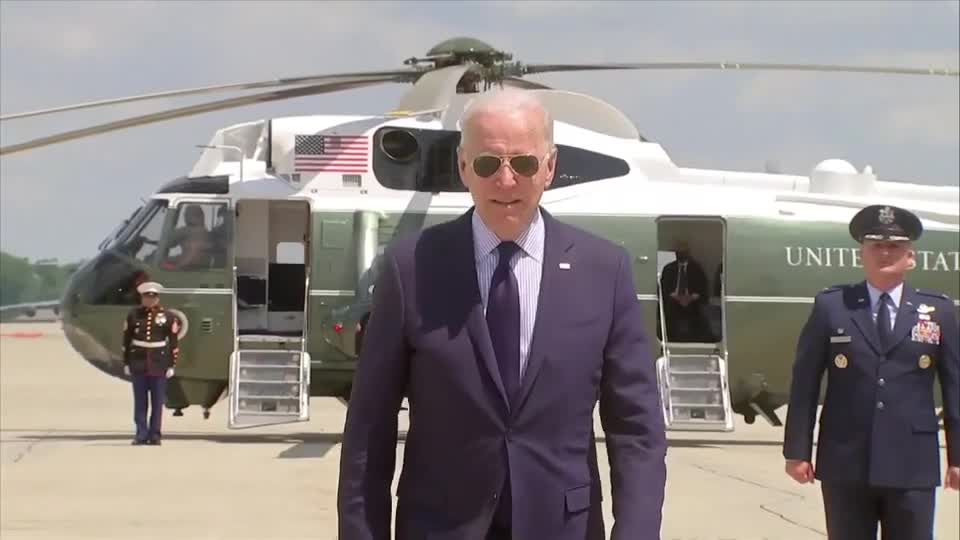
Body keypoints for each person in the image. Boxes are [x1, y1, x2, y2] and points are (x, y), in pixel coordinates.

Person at [337, 88, 667, 540]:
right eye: (489, 164)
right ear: (463, 168)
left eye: (524, 163)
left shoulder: (604, 271)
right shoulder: (410, 268)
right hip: (439, 526)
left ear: (549, 167)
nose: (506, 181)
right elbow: (368, 431)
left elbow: (637, 428)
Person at [782, 204, 959, 539]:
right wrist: (797, 452)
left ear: (911, 257)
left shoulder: (938, 311)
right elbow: (804, 383)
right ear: (861, 253)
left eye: (894, 246)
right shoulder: (832, 306)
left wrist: (958, 457)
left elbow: (955, 388)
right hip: (846, 461)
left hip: (912, 464)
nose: (885, 252)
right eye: (876, 245)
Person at [122, 281, 180, 445]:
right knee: (140, 403)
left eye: (153, 297)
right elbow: (126, 341)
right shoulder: (133, 315)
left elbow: (173, 343)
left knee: (157, 403)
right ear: (142, 298)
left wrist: (171, 364)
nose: (150, 299)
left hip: (159, 363)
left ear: (158, 298)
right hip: (138, 363)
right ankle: (141, 434)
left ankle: (155, 435)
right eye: (147, 296)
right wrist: (127, 362)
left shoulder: (168, 317)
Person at [658, 240, 712, 342]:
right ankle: (669, 341)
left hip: (693, 303)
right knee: (668, 314)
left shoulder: (697, 268)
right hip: (673, 302)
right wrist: (673, 295)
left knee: (700, 318)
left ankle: (695, 343)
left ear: (688, 253)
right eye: (679, 252)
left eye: (683, 251)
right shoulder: (668, 268)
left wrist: (693, 297)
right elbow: (663, 288)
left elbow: (703, 290)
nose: (681, 254)